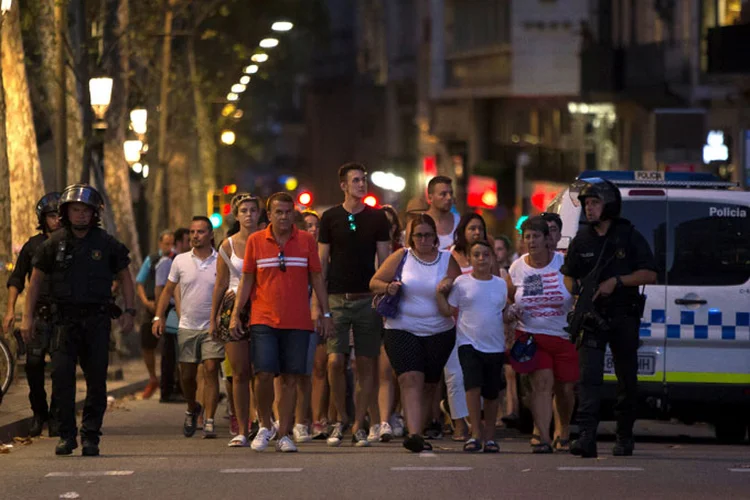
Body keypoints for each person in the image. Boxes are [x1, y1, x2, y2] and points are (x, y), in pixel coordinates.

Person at [20, 184, 134, 457]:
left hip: (96, 321)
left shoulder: (106, 244)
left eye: (85, 211)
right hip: (63, 323)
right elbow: (34, 282)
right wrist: (27, 318)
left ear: (94, 214)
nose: (80, 215)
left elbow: (125, 276)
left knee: (96, 380)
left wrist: (130, 311)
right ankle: (67, 435)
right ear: (66, 213)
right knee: (62, 379)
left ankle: (91, 435)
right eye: (75, 210)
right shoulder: (53, 244)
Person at [231, 192, 334, 453]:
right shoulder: (256, 241)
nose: (284, 216)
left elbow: (317, 279)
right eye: (279, 212)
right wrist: (235, 314)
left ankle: (285, 433)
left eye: (288, 212)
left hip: (297, 321)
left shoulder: (306, 241)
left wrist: (325, 313)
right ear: (269, 214)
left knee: (290, 377)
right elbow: (247, 281)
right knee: (263, 373)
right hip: (263, 318)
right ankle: (266, 424)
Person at [561, 178, 656, 458]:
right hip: (591, 317)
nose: (589, 209)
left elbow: (650, 274)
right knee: (588, 379)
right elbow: (568, 273)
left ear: (609, 205)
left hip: (623, 316)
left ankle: (624, 436)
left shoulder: (628, 236)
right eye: (586, 204)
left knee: (627, 379)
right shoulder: (582, 239)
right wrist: (576, 290)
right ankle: (586, 437)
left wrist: (617, 281)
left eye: (594, 203)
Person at [370, 214, 460, 453]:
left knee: (430, 383)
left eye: (428, 235)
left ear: (435, 238)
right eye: (418, 235)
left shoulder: (447, 260)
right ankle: (415, 435)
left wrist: (448, 287)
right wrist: (388, 287)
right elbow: (374, 282)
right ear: (411, 238)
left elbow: (461, 292)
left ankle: (422, 425)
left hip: (439, 331)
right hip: (402, 328)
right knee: (410, 378)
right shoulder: (402, 256)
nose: (423, 239)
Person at [318, 162, 391, 447]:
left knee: (365, 365)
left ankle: (360, 424)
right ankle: (341, 418)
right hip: (336, 298)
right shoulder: (330, 218)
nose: (362, 184)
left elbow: (384, 263)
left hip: (367, 300)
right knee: (335, 362)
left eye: (364, 179)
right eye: (356, 180)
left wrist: (383, 297)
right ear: (343, 185)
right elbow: (321, 264)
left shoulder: (377, 219)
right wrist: (319, 305)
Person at [507, 217, 577, 453]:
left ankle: (564, 429)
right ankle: (544, 437)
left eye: (535, 236)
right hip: (531, 334)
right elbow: (508, 297)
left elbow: (575, 293)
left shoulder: (563, 263)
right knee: (541, 384)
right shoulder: (517, 267)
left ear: (548, 239)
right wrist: (509, 313)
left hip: (563, 335)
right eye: (527, 237)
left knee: (565, 389)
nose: (531, 241)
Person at [153, 216, 225, 439]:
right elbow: (167, 290)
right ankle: (192, 406)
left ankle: (210, 420)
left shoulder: (220, 260)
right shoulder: (180, 261)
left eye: (201, 232)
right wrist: (158, 317)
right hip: (187, 326)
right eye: (193, 232)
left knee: (211, 368)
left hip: (212, 326)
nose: (195, 236)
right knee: (187, 375)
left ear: (210, 235)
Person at [437, 240, 507, 453]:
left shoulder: (500, 283)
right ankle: (475, 433)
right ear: (469, 258)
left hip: (494, 345)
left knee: (492, 393)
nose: (481, 259)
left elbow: (503, 310)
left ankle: (490, 437)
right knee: (472, 387)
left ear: (492, 257)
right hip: (468, 343)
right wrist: (439, 293)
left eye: (485, 255)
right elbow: (449, 310)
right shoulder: (461, 283)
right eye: (476, 255)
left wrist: (512, 315)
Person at [4, 192, 62, 437]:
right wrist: (10, 311)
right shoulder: (32, 246)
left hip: (65, 316)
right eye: (51, 215)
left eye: (60, 215)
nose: (57, 220)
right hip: (38, 314)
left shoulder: (73, 243)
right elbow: (16, 278)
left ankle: (58, 417)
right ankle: (40, 413)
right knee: (34, 365)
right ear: (43, 218)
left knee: (62, 367)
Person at [209, 194, 261, 447]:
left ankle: (265, 422)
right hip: (233, 309)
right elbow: (220, 283)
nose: (249, 214)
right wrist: (213, 318)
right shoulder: (227, 245)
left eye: (253, 210)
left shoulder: (268, 240)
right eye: (244, 210)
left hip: (264, 305)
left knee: (263, 371)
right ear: (236, 215)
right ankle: (242, 428)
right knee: (239, 373)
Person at [371, 205, 405, 442]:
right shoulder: (365, 248)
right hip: (369, 311)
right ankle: (378, 419)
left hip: (396, 313)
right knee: (370, 369)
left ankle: (395, 414)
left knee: (395, 370)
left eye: (391, 223)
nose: (387, 227)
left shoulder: (402, 252)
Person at [135, 230, 174, 399]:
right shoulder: (151, 260)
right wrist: (145, 302)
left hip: (169, 305)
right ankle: (152, 377)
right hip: (151, 304)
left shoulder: (175, 259)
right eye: (166, 243)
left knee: (169, 345)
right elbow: (140, 282)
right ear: (160, 243)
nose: (168, 247)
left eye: (171, 243)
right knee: (147, 342)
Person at [158, 227, 189, 403]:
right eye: (187, 240)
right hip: (172, 313)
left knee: (179, 353)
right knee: (170, 354)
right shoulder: (168, 261)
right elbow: (162, 290)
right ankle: (168, 390)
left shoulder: (187, 260)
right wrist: (159, 314)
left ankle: (181, 388)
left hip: (183, 312)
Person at [426, 176, 459, 250]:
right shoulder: (417, 224)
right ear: (430, 198)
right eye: (443, 194)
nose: (449, 197)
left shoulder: (460, 222)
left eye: (451, 193)